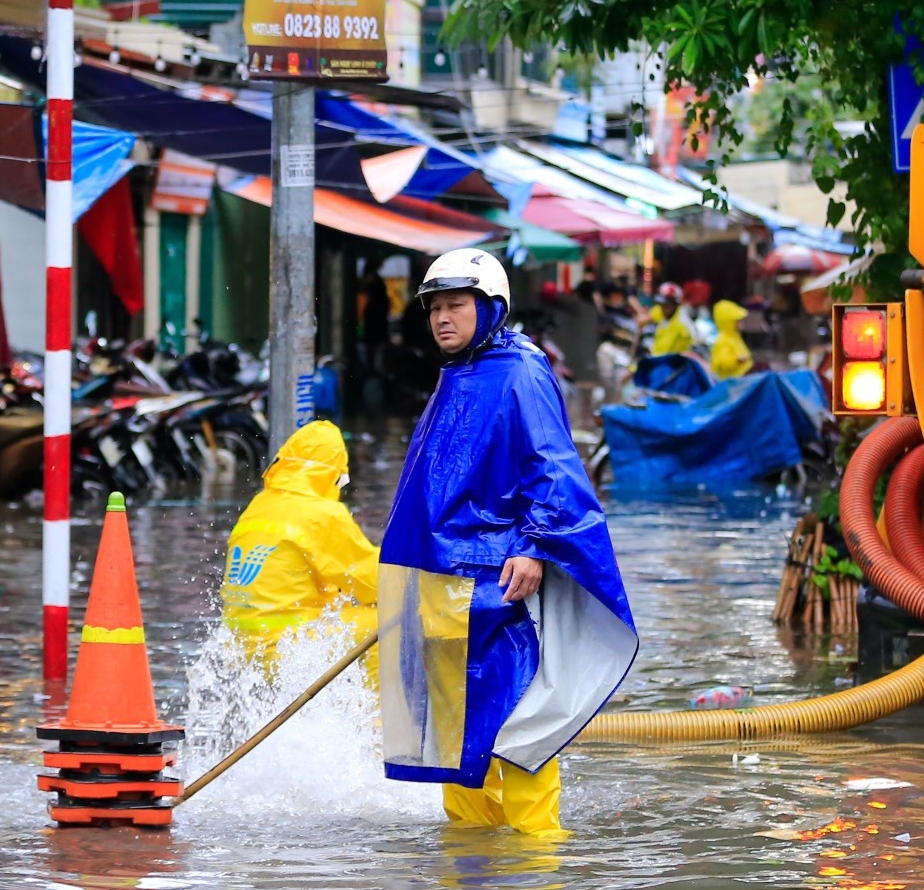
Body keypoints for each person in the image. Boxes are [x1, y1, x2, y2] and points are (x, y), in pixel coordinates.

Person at [377, 249, 636, 838]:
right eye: (434, 308)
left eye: (455, 305)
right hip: (440, 583)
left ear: (489, 307)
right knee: (453, 734)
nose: (442, 318)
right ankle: (472, 873)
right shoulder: (459, 372)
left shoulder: (521, 370)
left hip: (495, 582)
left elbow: (550, 462)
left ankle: (534, 873)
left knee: (519, 723)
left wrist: (535, 545)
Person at [220, 420, 378, 654]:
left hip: (243, 649)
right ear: (333, 476)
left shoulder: (259, 504)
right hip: (289, 647)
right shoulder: (319, 513)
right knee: (388, 619)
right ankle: (376, 692)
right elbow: (374, 584)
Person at [707, 298, 755, 380]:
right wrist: (736, 361)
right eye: (737, 320)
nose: (740, 323)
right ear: (729, 321)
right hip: (731, 384)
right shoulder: (723, 340)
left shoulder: (734, 336)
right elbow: (722, 363)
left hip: (741, 379)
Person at [646, 283, 697, 357]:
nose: (663, 308)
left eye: (666, 305)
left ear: (675, 304)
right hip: (657, 360)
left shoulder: (682, 324)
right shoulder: (664, 315)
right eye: (661, 305)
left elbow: (692, 344)